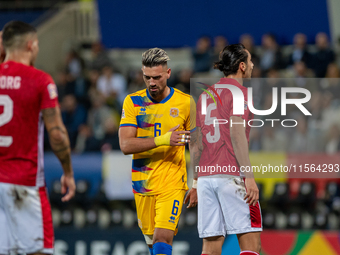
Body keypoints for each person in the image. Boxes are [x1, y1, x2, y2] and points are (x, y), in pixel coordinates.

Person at [0, 21, 75, 255]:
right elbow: (57, 134)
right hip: (24, 182)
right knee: (38, 251)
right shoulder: (40, 80)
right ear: (31, 45)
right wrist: (68, 172)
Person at [119, 48, 197, 255]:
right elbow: (126, 145)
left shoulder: (185, 103)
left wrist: (197, 182)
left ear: (168, 73)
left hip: (173, 183)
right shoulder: (133, 102)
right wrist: (164, 140)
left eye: (157, 77)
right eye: (147, 77)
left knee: (163, 237)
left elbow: (197, 145)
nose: (152, 82)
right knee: (153, 244)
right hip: (143, 183)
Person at [192, 44, 262, 255]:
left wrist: (195, 182)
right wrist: (248, 177)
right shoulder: (239, 93)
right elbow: (236, 133)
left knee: (211, 247)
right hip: (231, 174)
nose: (252, 65)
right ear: (241, 66)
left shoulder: (205, 94)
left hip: (205, 179)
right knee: (251, 244)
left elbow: (196, 141)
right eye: (249, 61)